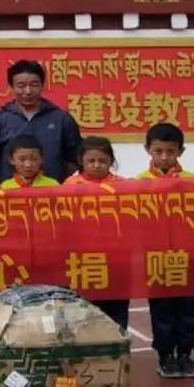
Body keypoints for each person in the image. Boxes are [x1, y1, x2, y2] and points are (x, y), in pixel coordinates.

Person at [136, 123, 194, 380]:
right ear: (147, 150)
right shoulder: (138, 182)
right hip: (156, 257)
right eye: (158, 151)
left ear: (181, 151)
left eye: (171, 152)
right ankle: (165, 356)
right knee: (161, 308)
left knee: (187, 309)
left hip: (188, 256)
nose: (164, 157)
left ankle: (185, 354)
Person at [63, 137, 129, 331]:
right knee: (84, 308)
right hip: (82, 256)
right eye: (91, 161)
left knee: (116, 307)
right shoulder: (69, 185)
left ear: (111, 161)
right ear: (81, 161)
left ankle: (118, 342)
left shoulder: (124, 185)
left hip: (116, 257)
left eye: (102, 161)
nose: (97, 165)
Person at [0, 60, 81, 183]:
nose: (28, 91)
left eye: (34, 85)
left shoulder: (61, 119)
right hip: (10, 191)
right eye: (21, 86)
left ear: (42, 85)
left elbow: (75, 158)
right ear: (11, 88)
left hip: (52, 190)